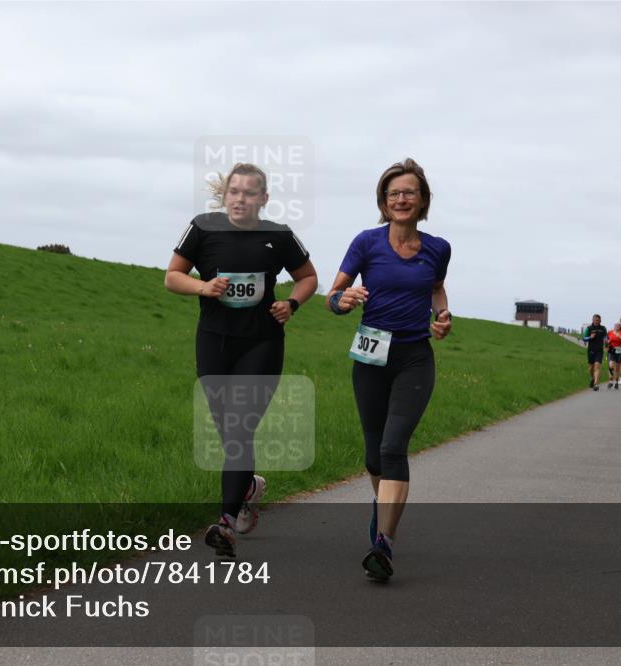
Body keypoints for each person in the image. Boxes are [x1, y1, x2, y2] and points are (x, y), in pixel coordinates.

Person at [165, 163, 317, 557]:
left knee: (238, 428)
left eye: (250, 193)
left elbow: (308, 277)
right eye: (234, 191)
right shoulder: (202, 228)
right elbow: (172, 276)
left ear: (263, 199)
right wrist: (204, 285)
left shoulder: (279, 236)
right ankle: (248, 486)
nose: (240, 198)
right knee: (226, 429)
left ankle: (226, 523)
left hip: (261, 343)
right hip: (214, 342)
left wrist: (291, 303)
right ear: (225, 195)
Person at [325, 158, 451, 580]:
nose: (401, 199)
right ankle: (384, 513)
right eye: (393, 193)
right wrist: (341, 302)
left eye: (409, 192)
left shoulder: (438, 248)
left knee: (394, 448)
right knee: (373, 454)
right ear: (383, 201)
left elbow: (435, 286)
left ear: (422, 201)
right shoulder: (366, 242)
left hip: (414, 357)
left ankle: (384, 543)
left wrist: (443, 315)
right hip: (370, 356)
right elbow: (335, 293)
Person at [582, 314, 608, 391]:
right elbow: (584, 338)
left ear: (600, 321)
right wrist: (590, 337)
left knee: (597, 366)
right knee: (591, 368)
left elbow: (606, 337)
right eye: (595, 320)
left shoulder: (603, 328)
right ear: (592, 320)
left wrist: (606, 341)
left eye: (598, 320)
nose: (596, 321)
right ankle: (593, 378)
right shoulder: (589, 328)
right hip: (591, 350)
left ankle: (596, 384)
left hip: (599, 350)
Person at [605, 322, 621, 390]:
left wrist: (620, 337)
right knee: (611, 365)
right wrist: (607, 342)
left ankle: (616, 382)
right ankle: (610, 381)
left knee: (617, 368)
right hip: (611, 350)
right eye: (615, 326)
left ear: (620, 327)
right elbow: (606, 341)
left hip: (619, 351)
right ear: (614, 326)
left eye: (618, 326)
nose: (616, 327)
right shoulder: (610, 332)